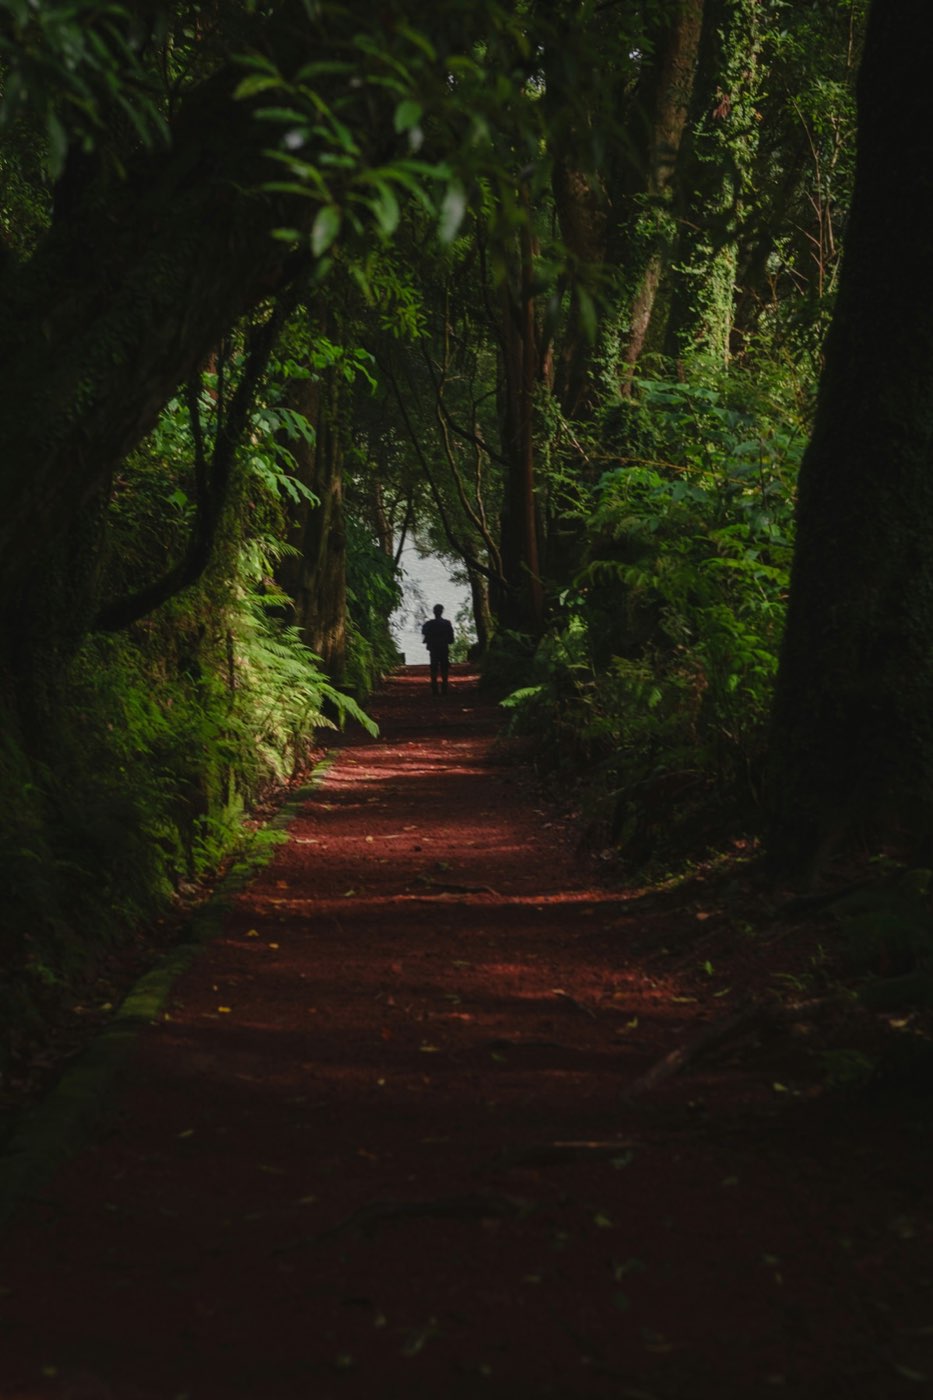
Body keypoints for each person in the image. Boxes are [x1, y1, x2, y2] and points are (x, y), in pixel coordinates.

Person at [421, 603, 454, 695]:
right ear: (442, 612)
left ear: (434, 612)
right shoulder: (447, 623)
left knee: (434, 667)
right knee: (444, 667)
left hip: (433, 648)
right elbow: (451, 639)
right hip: (444, 648)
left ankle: (434, 687)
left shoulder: (429, 624)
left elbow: (424, 633)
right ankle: (444, 687)